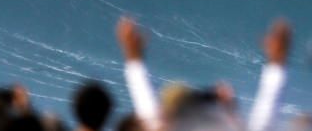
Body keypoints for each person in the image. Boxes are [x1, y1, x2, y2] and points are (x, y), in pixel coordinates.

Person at [116, 16, 289, 131]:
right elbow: (264, 117)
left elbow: (149, 112)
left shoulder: (161, 123)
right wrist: (277, 60)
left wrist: (133, 55)